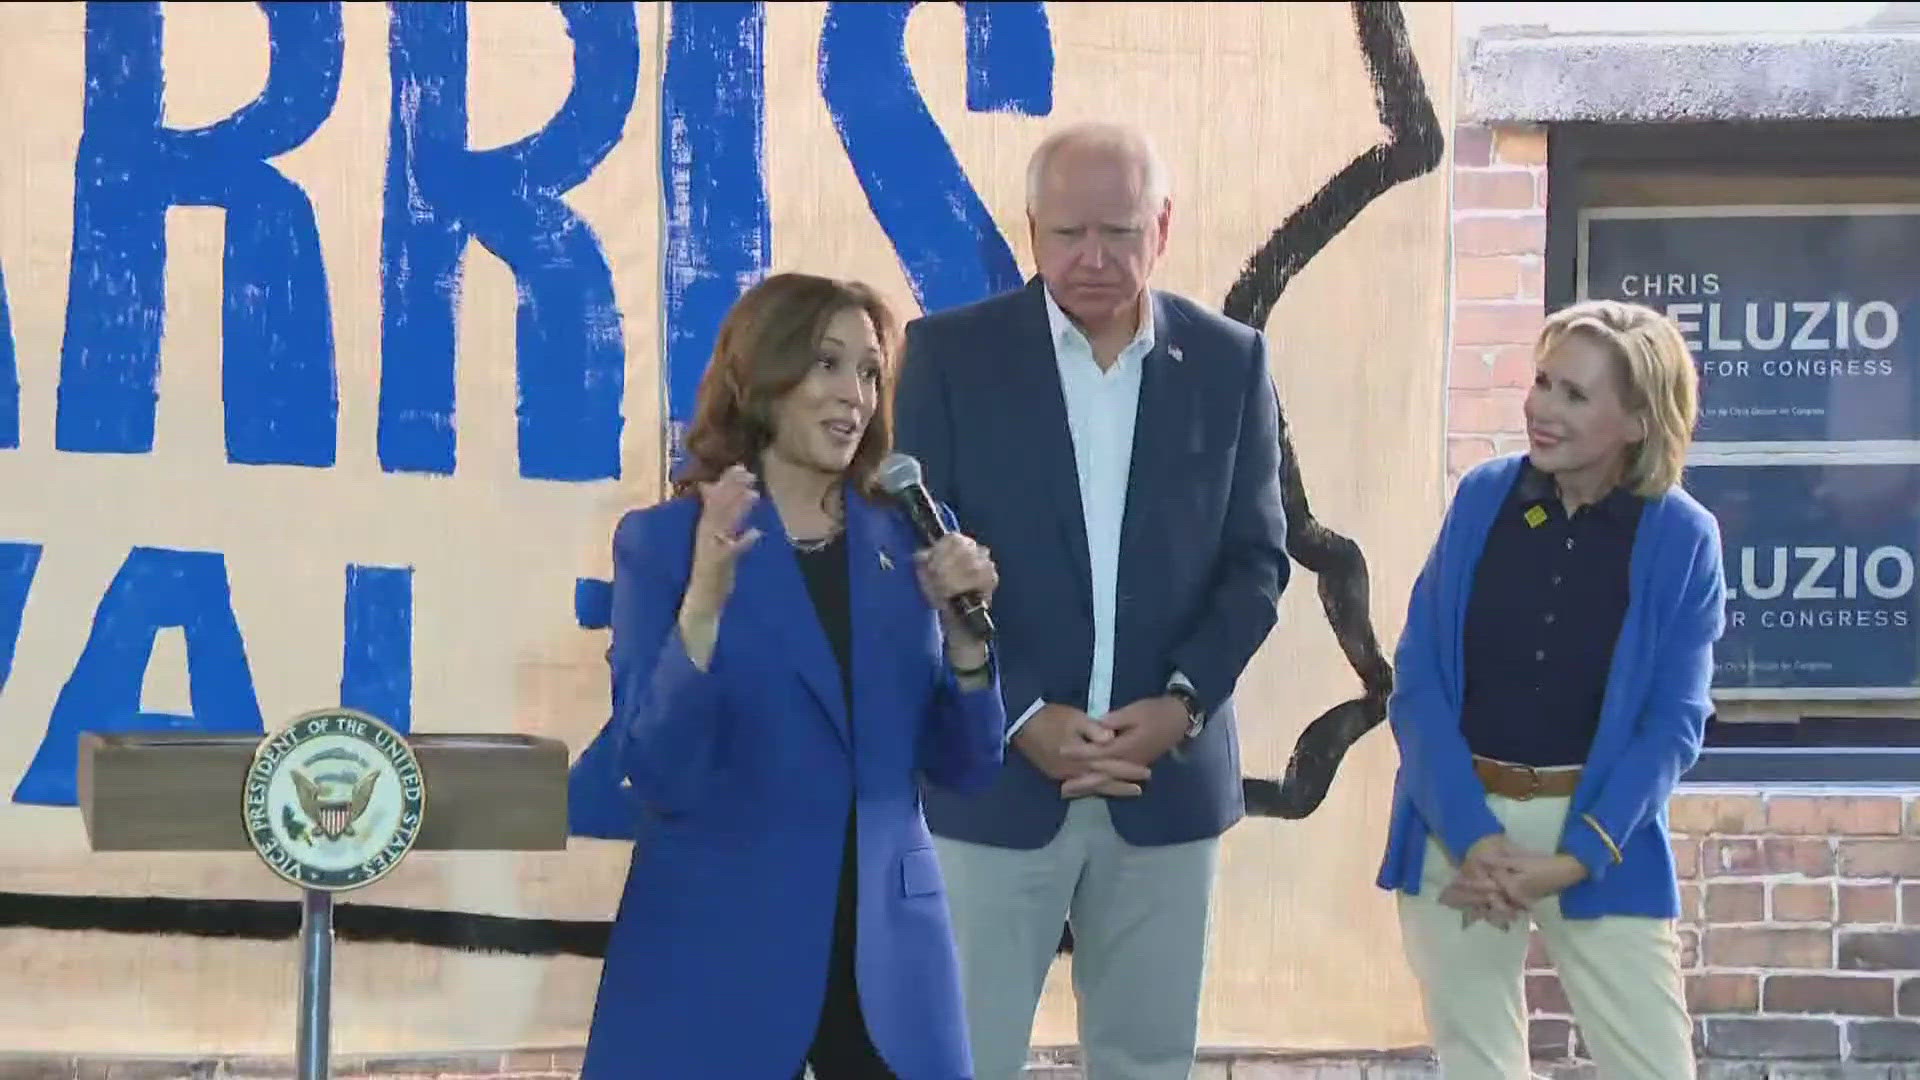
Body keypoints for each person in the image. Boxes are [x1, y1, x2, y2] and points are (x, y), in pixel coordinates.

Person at [892, 121, 1290, 1079]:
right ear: (1030, 230)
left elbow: (1257, 563)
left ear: (1164, 227)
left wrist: (1183, 707)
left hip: (1167, 781)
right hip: (995, 774)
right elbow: (912, 558)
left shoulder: (1231, 362)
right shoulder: (948, 356)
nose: (1094, 259)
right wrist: (1019, 709)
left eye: (1118, 232)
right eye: (1069, 234)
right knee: (960, 1058)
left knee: (1147, 1060)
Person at [573, 272, 1008, 1080]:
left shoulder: (911, 541)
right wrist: (701, 607)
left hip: (888, 957)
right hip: (718, 951)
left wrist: (967, 645)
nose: (855, 395)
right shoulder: (667, 543)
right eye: (826, 364)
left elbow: (969, 766)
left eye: (871, 372)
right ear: (760, 378)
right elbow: (656, 768)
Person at [1375, 299, 1726, 1080]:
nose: (1540, 408)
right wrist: (1474, 838)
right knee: (1478, 1065)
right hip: (1457, 831)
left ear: (1637, 421)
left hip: (1598, 833)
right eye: (1542, 382)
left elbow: (1673, 726)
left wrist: (1574, 860)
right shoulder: (1482, 499)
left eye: (1574, 394)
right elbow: (1420, 678)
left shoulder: (1683, 538)